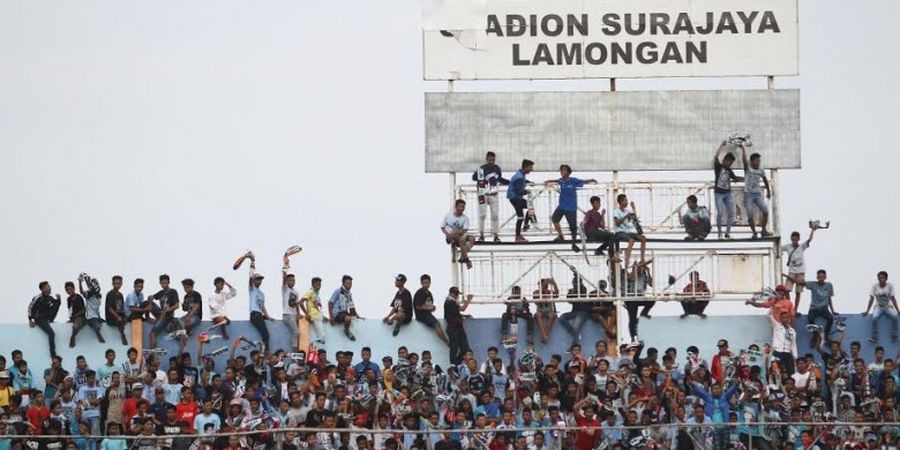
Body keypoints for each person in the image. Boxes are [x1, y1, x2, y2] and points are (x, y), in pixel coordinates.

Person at [544, 165, 597, 252]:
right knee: (555, 219)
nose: (562, 172)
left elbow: (582, 181)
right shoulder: (561, 181)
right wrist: (548, 181)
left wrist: (591, 180)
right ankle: (561, 235)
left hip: (571, 208)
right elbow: (556, 181)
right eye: (561, 170)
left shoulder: (573, 180)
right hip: (562, 206)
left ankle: (573, 243)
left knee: (573, 227)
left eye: (564, 170)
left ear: (568, 172)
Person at [472, 151, 509, 243]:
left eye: (493, 160)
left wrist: (510, 182)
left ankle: (496, 235)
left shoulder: (497, 168)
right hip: (482, 194)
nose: (491, 161)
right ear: (486, 159)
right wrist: (477, 173)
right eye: (489, 159)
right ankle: (481, 235)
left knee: (495, 215)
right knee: (482, 215)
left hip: (494, 194)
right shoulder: (482, 168)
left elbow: (499, 179)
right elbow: (474, 178)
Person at [243, 253, 274, 351]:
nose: (259, 281)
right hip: (255, 314)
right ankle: (265, 352)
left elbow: (262, 307)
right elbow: (250, 276)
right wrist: (252, 262)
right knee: (266, 334)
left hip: (259, 314)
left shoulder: (261, 293)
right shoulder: (252, 289)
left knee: (266, 331)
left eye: (260, 279)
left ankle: (264, 350)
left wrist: (268, 316)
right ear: (254, 281)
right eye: (257, 279)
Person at [740, 145, 772, 239]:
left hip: (757, 194)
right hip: (748, 195)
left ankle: (763, 230)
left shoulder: (761, 171)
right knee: (750, 214)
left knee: (765, 211)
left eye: (759, 161)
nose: (758, 163)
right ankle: (754, 232)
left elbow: (765, 181)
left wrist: (769, 192)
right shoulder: (748, 169)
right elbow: (744, 160)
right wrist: (743, 149)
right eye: (757, 161)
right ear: (752, 161)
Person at [712, 140, 742, 239]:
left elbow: (735, 178)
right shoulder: (718, 167)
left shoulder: (729, 170)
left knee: (731, 213)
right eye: (728, 161)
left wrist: (745, 178)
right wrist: (721, 145)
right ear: (724, 160)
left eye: (731, 163)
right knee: (720, 212)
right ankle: (720, 232)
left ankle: (727, 233)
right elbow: (716, 157)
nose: (729, 164)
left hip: (727, 194)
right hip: (718, 194)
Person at [797, 270, 836, 341]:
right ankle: (815, 336)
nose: (821, 279)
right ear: (817, 277)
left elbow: (829, 299)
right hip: (814, 308)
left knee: (830, 318)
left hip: (824, 308)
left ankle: (826, 335)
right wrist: (791, 277)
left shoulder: (829, 285)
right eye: (819, 277)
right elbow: (801, 283)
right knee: (810, 319)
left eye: (822, 277)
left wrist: (833, 311)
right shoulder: (813, 284)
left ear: (825, 277)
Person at [781, 228, 816, 306]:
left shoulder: (801, 247)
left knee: (798, 292)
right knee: (786, 290)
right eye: (793, 239)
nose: (794, 241)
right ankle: (789, 306)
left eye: (796, 239)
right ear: (791, 239)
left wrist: (813, 230)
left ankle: (795, 309)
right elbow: (778, 247)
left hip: (800, 272)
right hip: (792, 271)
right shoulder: (787, 246)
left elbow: (809, 239)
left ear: (798, 239)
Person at [612, 193, 646, 270]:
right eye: (625, 200)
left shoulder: (627, 211)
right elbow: (617, 222)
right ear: (620, 202)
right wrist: (625, 217)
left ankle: (642, 259)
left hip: (627, 232)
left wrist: (633, 209)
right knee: (631, 240)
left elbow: (635, 220)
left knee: (643, 238)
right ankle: (627, 260)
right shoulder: (616, 211)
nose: (627, 202)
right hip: (619, 232)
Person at [863, 271, 899, 343]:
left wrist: (898, 310)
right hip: (878, 307)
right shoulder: (875, 286)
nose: (881, 279)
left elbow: (893, 298)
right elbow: (871, 299)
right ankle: (874, 336)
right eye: (879, 278)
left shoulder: (890, 286)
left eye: (882, 278)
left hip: (888, 307)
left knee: (895, 316)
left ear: (886, 279)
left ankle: (894, 335)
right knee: (874, 317)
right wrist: (867, 311)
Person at [28, 281, 62, 357]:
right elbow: (30, 307)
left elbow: (56, 306)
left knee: (56, 303)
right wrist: (31, 319)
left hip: (46, 318)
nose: (50, 288)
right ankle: (53, 354)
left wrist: (59, 300)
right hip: (39, 318)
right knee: (51, 333)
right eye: (48, 286)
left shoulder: (50, 298)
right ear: (43, 289)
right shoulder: (38, 297)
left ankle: (50, 320)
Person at [413, 274, 449, 344]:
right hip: (421, 315)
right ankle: (447, 342)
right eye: (424, 283)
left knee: (438, 324)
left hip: (428, 314)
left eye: (427, 282)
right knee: (436, 325)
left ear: (430, 283)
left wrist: (432, 308)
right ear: (421, 283)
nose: (426, 284)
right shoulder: (419, 293)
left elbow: (429, 305)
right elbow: (418, 306)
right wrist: (429, 307)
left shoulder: (429, 293)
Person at [441, 199, 476, 269]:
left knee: (472, 238)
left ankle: (463, 256)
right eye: (460, 206)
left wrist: (456, 232)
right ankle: (467, 260)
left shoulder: (465, 218)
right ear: (456, 207)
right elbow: (442, 227)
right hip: (451, 235)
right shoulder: (448, 215)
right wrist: (447, 234)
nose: (462, 208)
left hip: (460, 235)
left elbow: (464, 230)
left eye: (463, 207)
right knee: (460, 239)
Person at [147, 274, 180, 349]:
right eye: (162, 283)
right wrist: (150, 298)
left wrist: (168, 309)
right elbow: (152, 298)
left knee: (152, 333)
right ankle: (148, 317)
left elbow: (177, 305)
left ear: (169, 282)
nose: (164, 284)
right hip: (161, 313)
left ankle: (153, 349)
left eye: (166, 282)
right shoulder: (161, 292)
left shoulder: (173, 292)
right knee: (148, 302)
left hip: (167, 316)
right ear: (160, 283)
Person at [444, 287, 473, 366]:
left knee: (464, 348)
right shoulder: (450, 302)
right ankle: (454, 366)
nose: (456, 296)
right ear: (451, 293)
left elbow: (455, 313)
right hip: (453, 328)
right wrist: (468, 300)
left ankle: (457, 364)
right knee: (455, 348)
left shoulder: (451, 302)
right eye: (455, 293)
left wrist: (464, 316)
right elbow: (462, 309)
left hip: (457, 327)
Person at [507, 159, 534, 243]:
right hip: (515, 198)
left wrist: (527, 182)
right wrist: (527, 191)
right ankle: (523, 228)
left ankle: (519, 234)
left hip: (514, 197)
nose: (531, 169)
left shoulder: (520, 174)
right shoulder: (519, 177)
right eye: (530, 167)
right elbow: (519, 190)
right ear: (525, 167)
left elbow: (520, 183)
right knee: (529, 209)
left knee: (524, 214)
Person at [78, 273, 107, 344]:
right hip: (90, 316)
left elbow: (93, 289)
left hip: (97, 315)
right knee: (97, 326)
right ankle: (99, 336)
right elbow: (82, 292)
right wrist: (80, 282)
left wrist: (87, 280)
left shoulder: (99, 295)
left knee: (106, 323)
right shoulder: (89, 294)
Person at [282, 253, 302, 351]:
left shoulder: (296, 291)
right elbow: (283, 277)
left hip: (294, 315)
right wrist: (285, 265)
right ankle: (295, 350)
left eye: (293, 281)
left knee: (300, 330)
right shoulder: (285, 289)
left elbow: (297, 304)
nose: (292, 282)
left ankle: (299, 348)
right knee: (297, 332)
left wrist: (299, 314)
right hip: (287, 315)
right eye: (290, 280)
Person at [329, 275, 358, 341]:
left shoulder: (349, 294)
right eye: (347, 283)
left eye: (350, 283)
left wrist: (357, 315)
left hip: (344, 313)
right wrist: (331, 316)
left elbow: (351, 306)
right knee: (348, 318)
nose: (349, 285)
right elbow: (330, 302)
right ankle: (346, 330)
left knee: (353, 317)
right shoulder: (338, 291)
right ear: (343, 283)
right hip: (337, 313)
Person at [533, 278, 559, 345]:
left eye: (546, 284)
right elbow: (536, 302)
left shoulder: (550, 292)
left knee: (552, 315)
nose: (546, 286)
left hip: (549, 311)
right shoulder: (536, 292)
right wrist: (542, 291)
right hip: (540, 311)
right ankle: (545, 335)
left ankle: (545, 335)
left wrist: (554, 284)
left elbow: (557, 295)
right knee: (538, 315)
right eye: (544, 284)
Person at [104, 276, 128, 346]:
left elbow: (121, 307)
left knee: (128, 317)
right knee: (120, 321)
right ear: (113, 284)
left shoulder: (120, 295)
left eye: (119, 283)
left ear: (121, 284)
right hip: (111, 317)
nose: (117, 285)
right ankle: (122, 334)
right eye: (116, 283)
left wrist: (125, 316)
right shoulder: (110, 294)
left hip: (119, 314)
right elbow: (110, 308)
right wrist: (117, 317)